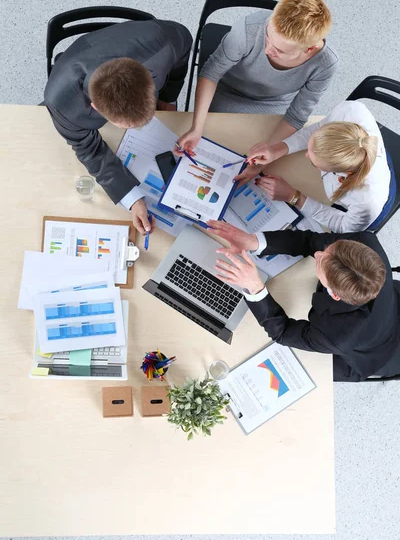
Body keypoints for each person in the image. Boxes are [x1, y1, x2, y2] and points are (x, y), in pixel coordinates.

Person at [44, 19, 192, 235]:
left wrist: (168, 100)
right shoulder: (61, 103)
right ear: (95, 108)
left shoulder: (167, 42)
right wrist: (132, 198)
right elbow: (89, 149)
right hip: (70, 72)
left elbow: (183, 52)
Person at [207, 220, 400, 382]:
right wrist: (254, 242)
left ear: (334, 294)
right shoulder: (366, 243)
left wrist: (256, 288)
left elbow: (283, 332)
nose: (317, 254)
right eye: (327, 251)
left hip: (377, 356)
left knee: (305, 367)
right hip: (393, 305)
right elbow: (312, 241)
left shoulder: (335, 336)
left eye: (320, 262)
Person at [175, 0, 338, 157]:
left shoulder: (326, 64)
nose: (266, 50)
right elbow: (211, 73)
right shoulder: (249, 27)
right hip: (226, 92)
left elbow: (297, 115)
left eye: (279, 50)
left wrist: (269, 151)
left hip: (275, 107)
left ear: (309, 49)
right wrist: (196, 128)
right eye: (267, 38)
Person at [240, 100, 392, 232]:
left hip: (360, 216)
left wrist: (294, 197)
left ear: (341, 172)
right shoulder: (350, 110)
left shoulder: (367, 201)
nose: (307, 154)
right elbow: (319, 126)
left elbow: (344, 226)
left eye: (313, 162)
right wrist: (276, 150)